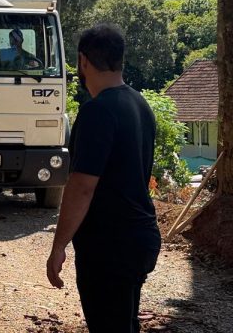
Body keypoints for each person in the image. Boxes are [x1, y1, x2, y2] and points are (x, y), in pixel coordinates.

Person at [46, 24, 161, 333]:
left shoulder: (98, 111)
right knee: (124, 323)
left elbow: (82, 186)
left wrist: (59, 246)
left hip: (111, 245)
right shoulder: (140, 104)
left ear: (83, 61)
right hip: (140, 236)